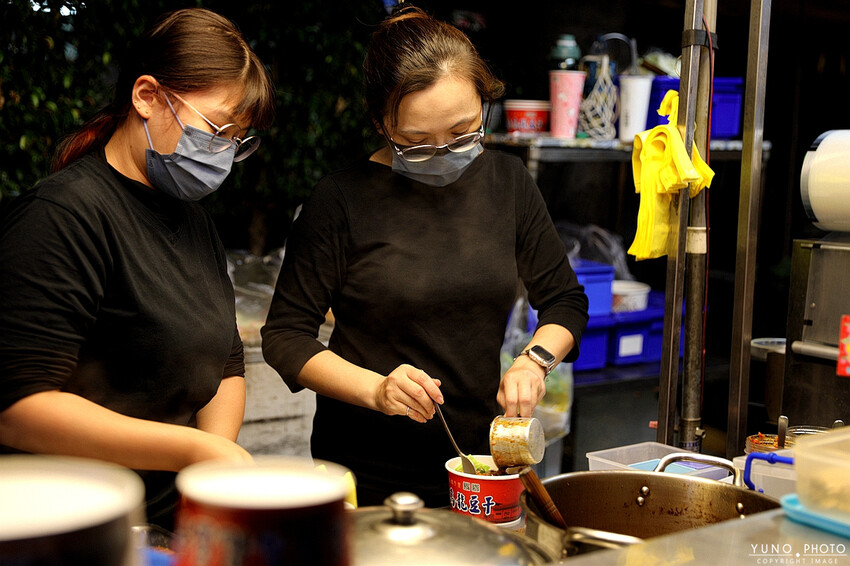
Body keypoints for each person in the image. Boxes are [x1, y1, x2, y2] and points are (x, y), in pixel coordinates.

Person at [261, 5, 588, 508]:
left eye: (462, 134)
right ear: (380, 123)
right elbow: (285, 337)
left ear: (484, 100)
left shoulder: (509, 184)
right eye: (415, 143)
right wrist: (377, 390)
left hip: (477, 463)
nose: (443, 153)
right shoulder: (340, 201)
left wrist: (534, 361)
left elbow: (565, 300)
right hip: (364, 472)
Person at [0, 8, 275, 530]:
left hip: (175, 524)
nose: (222, 153)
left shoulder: (195, 222)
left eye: (236, 140)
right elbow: (19, 404)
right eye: (216, 129)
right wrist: (194, 452)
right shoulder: (62, 217)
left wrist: (211, 464)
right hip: (74, 528)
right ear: (146, 96)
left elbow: (225, 363)